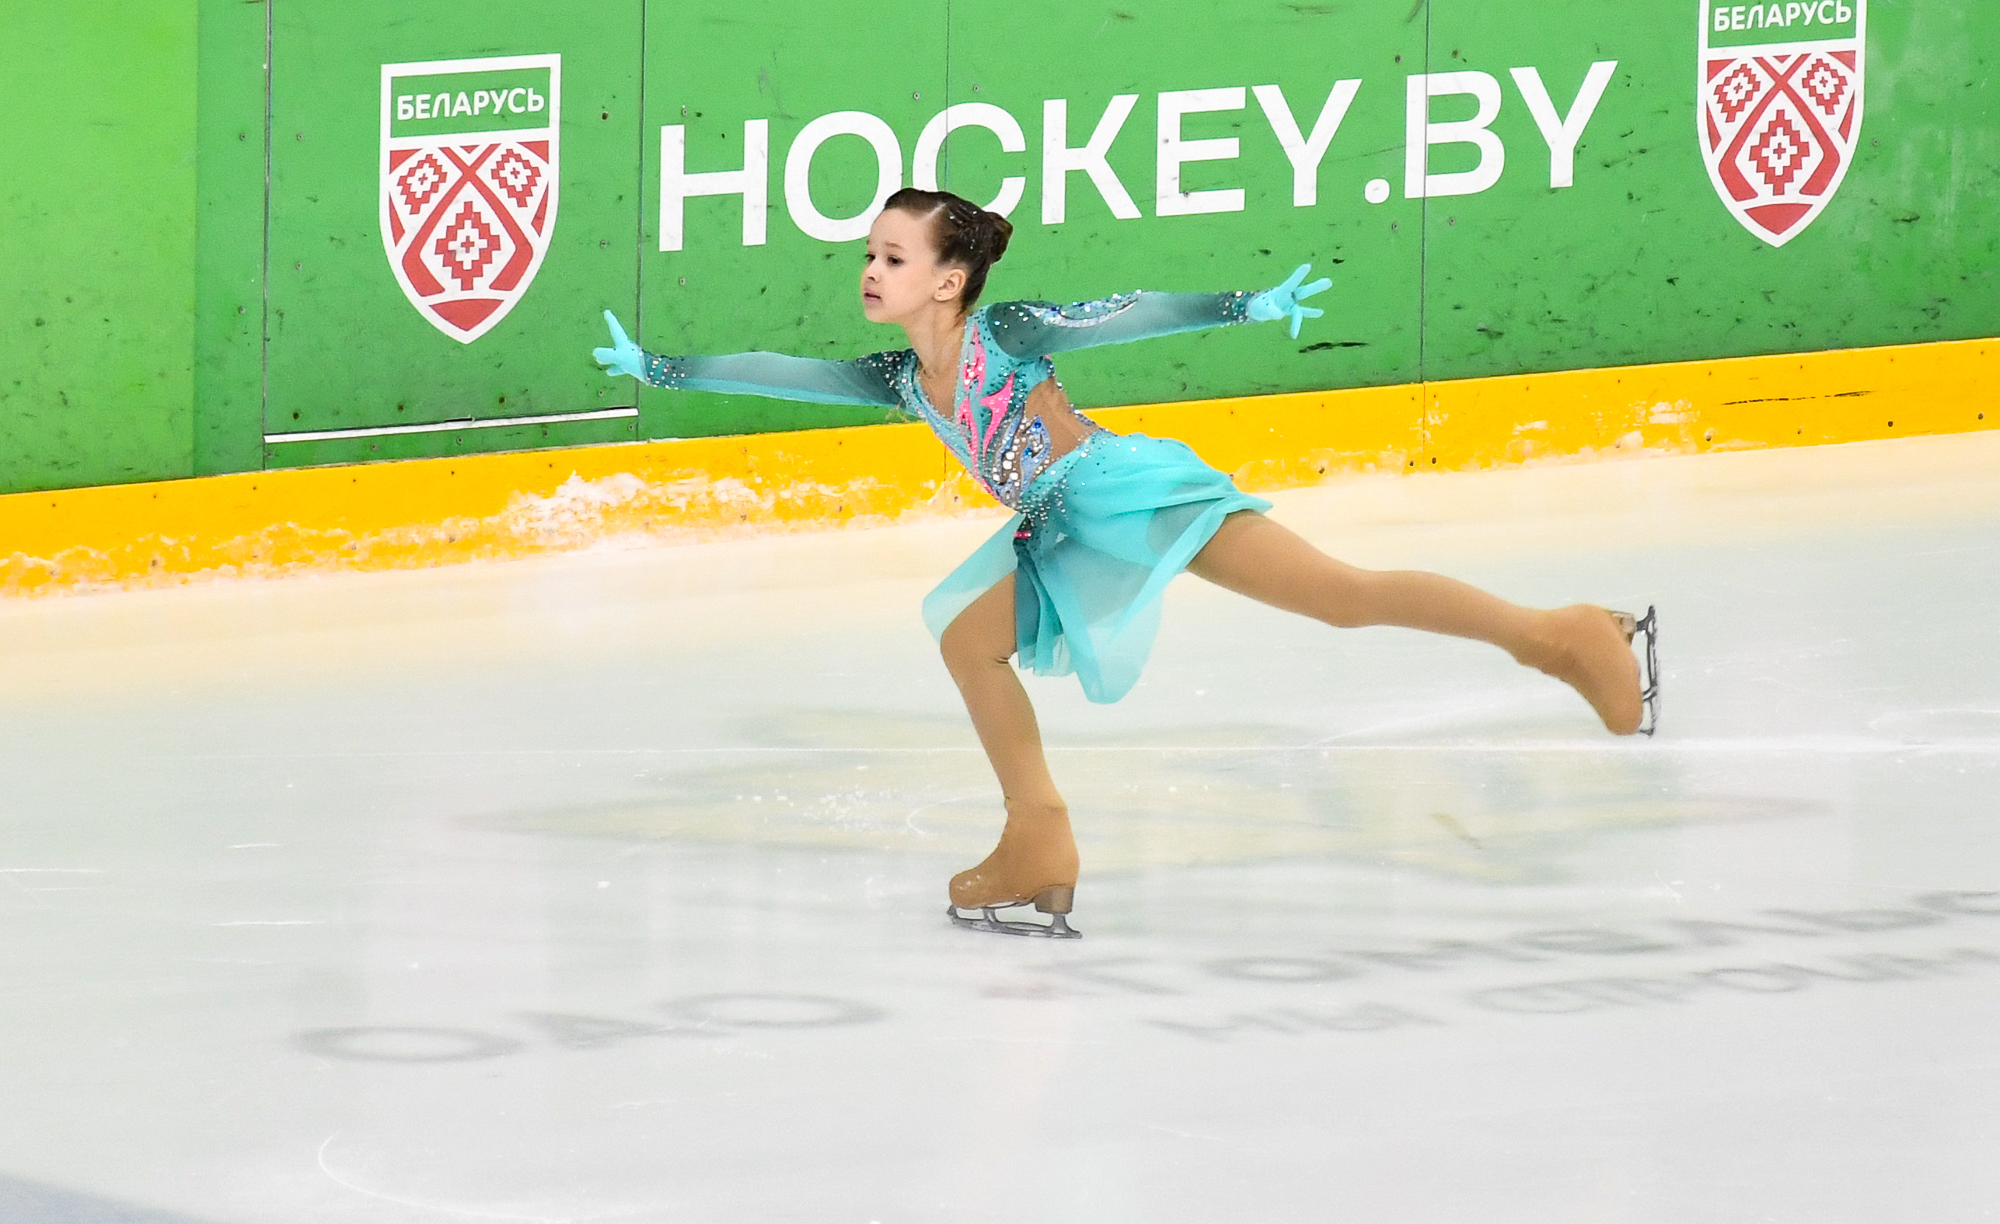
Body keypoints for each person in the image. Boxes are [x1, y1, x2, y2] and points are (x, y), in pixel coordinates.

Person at [595, 187, 1657, 938]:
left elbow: (1126, 314)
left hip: (1120, 492)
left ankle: (1559, 635)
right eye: (869, 256)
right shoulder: (900, 376)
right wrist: (662, 368)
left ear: (950, 278)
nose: (871, 272)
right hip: (1061, 520)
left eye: (893, 258)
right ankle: (1037, 836)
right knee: (966, 640)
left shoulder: (1006, 333)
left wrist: (1244, 305)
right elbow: (784, 373)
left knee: (1341, 596)